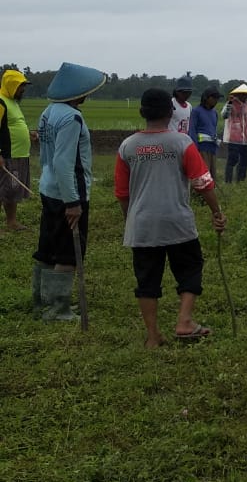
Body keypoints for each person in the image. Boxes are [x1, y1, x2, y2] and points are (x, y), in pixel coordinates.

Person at [115, 88, 227, 347]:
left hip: (142, 225)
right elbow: (203, 183)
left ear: (142, 112)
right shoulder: (181, 142)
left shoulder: (127, 146)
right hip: (177, 222)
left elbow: (122, 193)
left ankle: (153, 336)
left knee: (146, 280)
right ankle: (184, 321)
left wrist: (130, 219)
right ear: (170, 112)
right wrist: (216, 212)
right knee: (190, 268)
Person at [32, 62, 104, 321]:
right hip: (68, 192)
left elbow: (46, 157)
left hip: (48, 187)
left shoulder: (48, 111)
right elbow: (64, 162)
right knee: (66, 251)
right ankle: (58, 309)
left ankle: (41, 303)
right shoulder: (72, 118)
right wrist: (73, 202)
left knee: (47, 246)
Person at [0, 68, 36, 231]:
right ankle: (10, 222)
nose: (23, 90)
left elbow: (12, 125)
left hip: (20, 154)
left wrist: (27, 134)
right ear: (11, 85)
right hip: (8, 154)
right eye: (21, 86)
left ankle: (11, 222)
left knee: (13, 189)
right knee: (4, 189)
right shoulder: (0, 102)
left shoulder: (12, 102)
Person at [221, 83, 247, 183]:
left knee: (245, 160)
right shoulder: (231, 103)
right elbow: (224, 115)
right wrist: (229, 104)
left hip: (244, 138)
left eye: (246, 94)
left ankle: (240, 180)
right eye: (242, 94)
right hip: (233, 137)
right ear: (239, 94)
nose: (244, 96)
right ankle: (228, 181)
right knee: (232, 159)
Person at [189, 87, 222, 182]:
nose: (216, 101)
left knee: (212, 173)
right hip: (201, 148)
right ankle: (199, 194)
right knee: (203, 173)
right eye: (214, 98)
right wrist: (195, 148)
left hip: (212, 147)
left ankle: (210, 193)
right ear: (207, 98)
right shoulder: (196, 111)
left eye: (217, 98)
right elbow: (192, 130)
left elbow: (213, 129)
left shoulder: (214, 113)